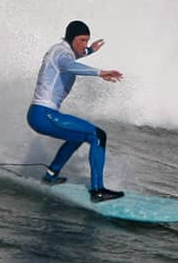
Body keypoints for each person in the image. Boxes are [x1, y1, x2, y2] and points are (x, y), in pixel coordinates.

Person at [27, 20, 126, 202]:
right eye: (81, 40)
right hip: (44, 115)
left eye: (87, 40)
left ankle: (51, 176)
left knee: (80, 136)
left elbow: (73, 58)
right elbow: (70, 65)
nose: (84, 45)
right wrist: (101, 72)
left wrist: (91, 50)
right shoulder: (62, 53)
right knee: (98, 136)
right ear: (71, 38)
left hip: (40, 114)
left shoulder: (61, 50)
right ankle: (97, 191)